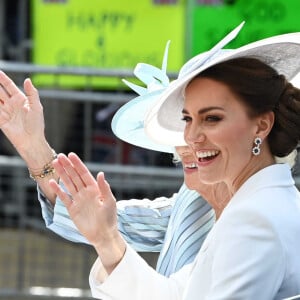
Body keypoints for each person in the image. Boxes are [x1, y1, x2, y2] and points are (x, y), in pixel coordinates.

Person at [46, 23, 300, 299]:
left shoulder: (253, 218)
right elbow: (179, 293)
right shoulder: (260, 204)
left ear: (261, 125)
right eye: (188, 119)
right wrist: (106, 239)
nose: (191, 136)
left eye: (212, 118)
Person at [0, 42, 220, 276]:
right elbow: (105, 221)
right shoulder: (193, 202)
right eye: (182, 122)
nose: (188, 141)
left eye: (213, 119)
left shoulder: (259, 208)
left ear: (260, 126)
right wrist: (34, 147)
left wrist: (107, 242)